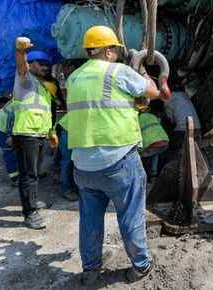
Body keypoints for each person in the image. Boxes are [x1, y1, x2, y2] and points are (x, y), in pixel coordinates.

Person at [65, 26, 161, 284]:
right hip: (118, 161)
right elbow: (152, 93)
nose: (117, 55)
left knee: (90, 221)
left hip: (83, 166)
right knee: (130, 214)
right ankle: (140, 265)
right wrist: (146, 77)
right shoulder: (118, 71)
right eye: (116, 50)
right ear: (108, 50)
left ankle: (91, 269)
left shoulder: (73, 78)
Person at [12, 37, 56, 230]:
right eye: (41, 64)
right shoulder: (26, 79)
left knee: (35, 173)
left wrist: (50, 132)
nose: (45, 68)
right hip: (26, 133)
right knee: (28, 175)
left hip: (37, 134)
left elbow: (45, 113)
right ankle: (30, 213)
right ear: (31, 64)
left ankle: (33, 201)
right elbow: (21, 66)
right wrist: (20, 52)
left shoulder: (42, 88)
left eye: (48, 65)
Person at [0, 100, 18, 185]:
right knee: (10, 152)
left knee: (9, 151)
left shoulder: (18, 96)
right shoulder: (24, 102)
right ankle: (15, 178)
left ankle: (15, 174)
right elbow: (11, 117)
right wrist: (10, 135)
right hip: (3, 128)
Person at [138, 110, 169, 180]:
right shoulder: (152, 116)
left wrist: (139, 151)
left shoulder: (137, 119)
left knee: (136, 156)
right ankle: (153, 174)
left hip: (152, 145)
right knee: (155, 151)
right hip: (165, 142)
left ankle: (142, 176)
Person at [55, 113, 78, 201]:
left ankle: (61, 177)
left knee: (66, 159)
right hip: (69, 128)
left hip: (67, 125)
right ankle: (66, 189)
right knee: (68, 160)